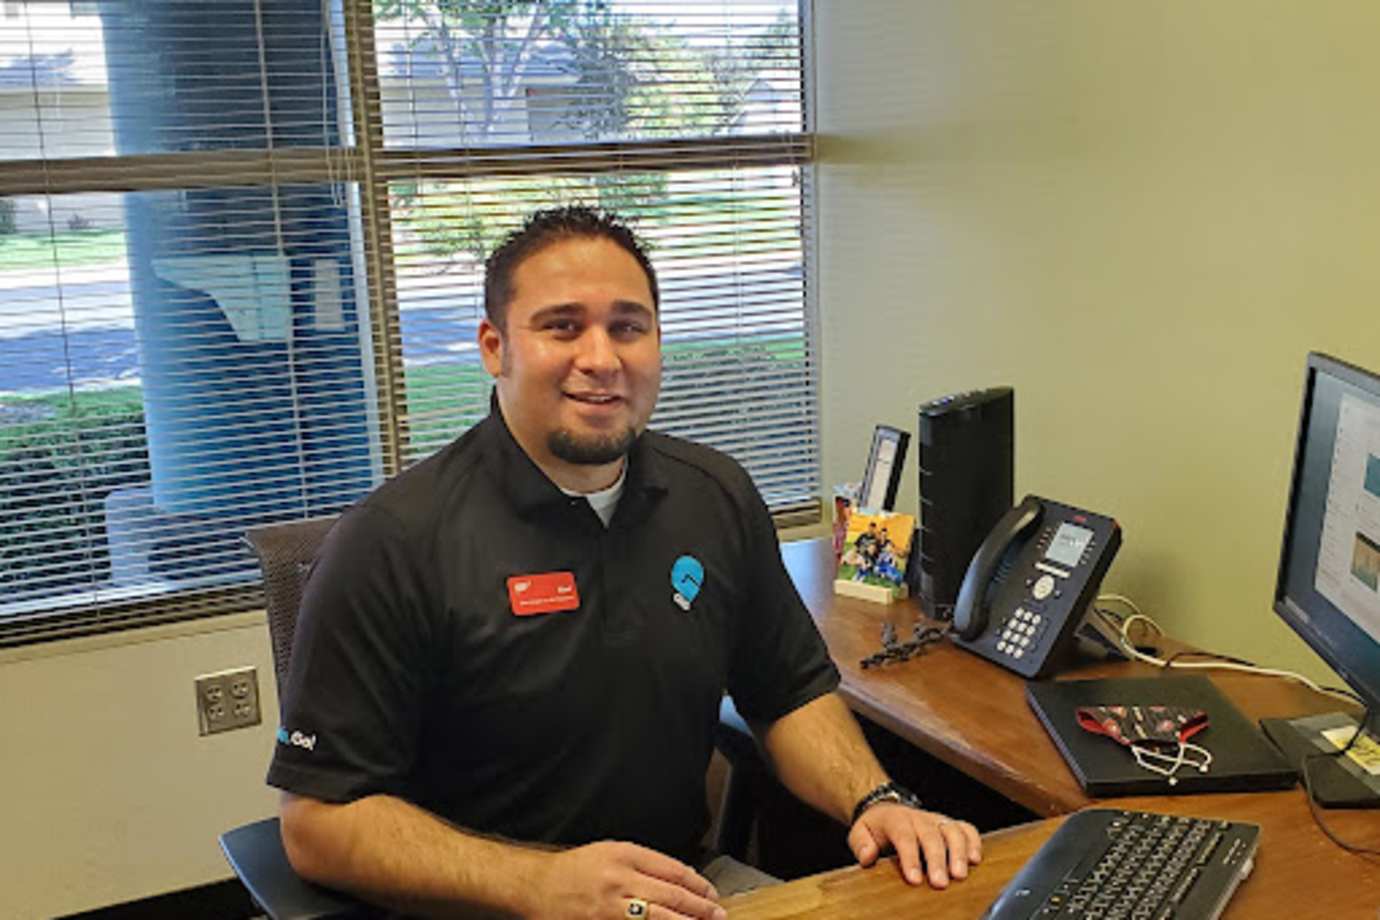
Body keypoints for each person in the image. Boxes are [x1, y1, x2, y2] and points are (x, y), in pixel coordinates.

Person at [268, 206, 982, 919]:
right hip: (482, 903)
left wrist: (875, 798)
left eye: (628, 327)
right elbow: (318, 823)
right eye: (562, 326)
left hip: (681, 894)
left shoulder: (715, 496)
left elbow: (788, 690)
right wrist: (539, 884)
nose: (602, 359)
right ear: (494, 347)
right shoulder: (393, 541)